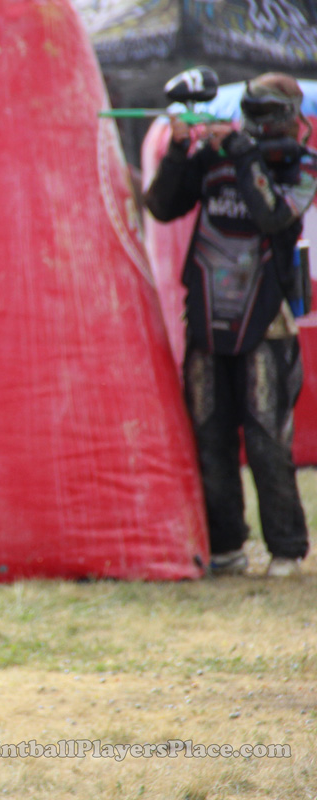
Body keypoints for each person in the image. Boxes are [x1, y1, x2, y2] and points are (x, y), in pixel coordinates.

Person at [146, 72, 317, 578]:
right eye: (252, 114)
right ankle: (226, 547)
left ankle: (286, 548)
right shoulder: (216, 158)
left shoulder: (302, 166)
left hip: (266, 321)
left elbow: (273, 216)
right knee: (210, 434)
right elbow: (161, 206)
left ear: (291, 118)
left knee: (266, 440)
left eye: (268, 115)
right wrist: (180, 151)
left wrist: (243, 153)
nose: (260, 125)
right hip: (207, 312)